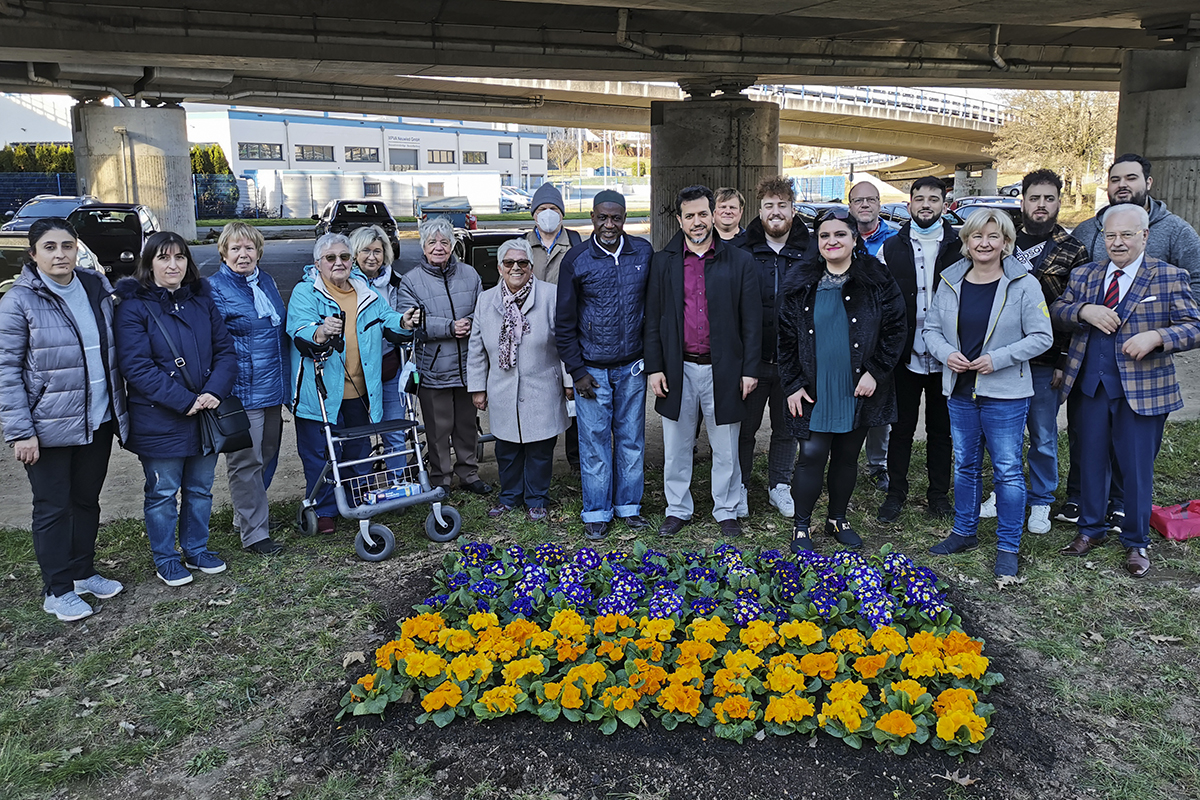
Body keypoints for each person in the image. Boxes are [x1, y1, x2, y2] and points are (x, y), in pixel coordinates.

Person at [1053, 203, 1200, 578]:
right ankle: (1090, 529)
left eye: (1126, 235)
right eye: (1110, 235)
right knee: (1089, 461)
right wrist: (1084, 310)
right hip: (1090, 386)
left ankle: (1136, 541)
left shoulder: (1168, 276)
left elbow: (1193, 326)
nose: (1117, 243)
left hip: (1142, 390)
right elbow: (1058, 309)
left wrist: (1158, 336)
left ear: (1145, 236)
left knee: (1136, 470)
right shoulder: (1086, 274)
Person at [0, 218, 129, 621]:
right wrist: (21, 431)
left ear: (77, 250)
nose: (60, 254)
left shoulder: (94, 287)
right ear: (33, 254)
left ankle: (82, 572)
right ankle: (57, 589)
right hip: (48, 427)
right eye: (50, 247)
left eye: (67, 246)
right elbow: (6, 370)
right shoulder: (19, 301)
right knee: (53, 508)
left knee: (86, 501)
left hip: (98, 418)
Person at [923, 209, 1053, 577]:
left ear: (1006, 244)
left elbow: (1042, 337)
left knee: (1008, 470)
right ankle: (964, 531)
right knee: (964, 464)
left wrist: (998, 359)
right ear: (965, 242)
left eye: (993, 237)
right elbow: (931, 329)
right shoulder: (950, 281)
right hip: (961, 390)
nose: (984, 243)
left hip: (1005, 393)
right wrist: (946, 353)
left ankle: (1008, 545)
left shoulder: (1024, 284)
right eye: (977, 236)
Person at [777, 210, 905, 554]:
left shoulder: (877, 280)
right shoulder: (800, 282)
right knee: (812, 454)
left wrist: (876, 371)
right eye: (824, 236)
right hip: (814, 388)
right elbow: (785, 340)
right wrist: (792, 384)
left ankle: (837, 518)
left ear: (854, 239)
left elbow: (896, 330)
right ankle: (801, 526)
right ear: (817, 243)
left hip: (857, 387)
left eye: (840, 235)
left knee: (847, 456)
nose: (832, 241)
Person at [114, 232, 237, 587]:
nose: (173, 265)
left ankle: (196, 549)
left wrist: (214, 391)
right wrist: (184, 401)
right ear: (149, 263)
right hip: (160, 418)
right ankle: (166, 557)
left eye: (180, 257)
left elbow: (226, 351)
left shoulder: (202, 299)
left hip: (205, 413)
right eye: (164, 258)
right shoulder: (134, 307)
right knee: (163, 493)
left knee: (200, 488)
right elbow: (136, 367)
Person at [644, 184, 762, 539]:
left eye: (702, 214)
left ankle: (726, 510)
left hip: (724, 369)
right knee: (677, 445)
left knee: (725, 445)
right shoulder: (663, 262)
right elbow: (652, 318)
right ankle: (677, 508)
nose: (697, 221)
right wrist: (655, 366)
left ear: (713, 215)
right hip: (678, 368)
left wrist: (749, 370)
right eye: (689, 215)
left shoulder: (739, 261)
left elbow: (752, 321)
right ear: (679, 220)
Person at [976, 170, 1088, 535]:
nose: (1041, 205)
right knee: (1002, 433)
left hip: (1046, 361)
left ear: (1058, 202)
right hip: (1001, 357)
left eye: (1049, 198)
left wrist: (1064, 361)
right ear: (1022, 200)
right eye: (1034, 198)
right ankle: (1005, 491)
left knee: (1042, 434)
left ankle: (1040, 500)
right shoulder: (1003, 241)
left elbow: (1078, 311)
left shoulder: (1073, 249)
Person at [289, 233, 420, 534]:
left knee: (358, 449)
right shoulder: (305, 292)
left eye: (344, 257)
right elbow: (298, 329)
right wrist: (320, 332)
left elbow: (390, 319)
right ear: (317, 263)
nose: (339, 263)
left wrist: (405, 321)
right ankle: (323, 509)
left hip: (360, 391)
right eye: (330, 258)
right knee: (320, 453)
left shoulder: (365, 290)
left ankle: (359, 498)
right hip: (319, 392)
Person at [555, 190, 654, 540]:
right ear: (592, 217)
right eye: (602, 217)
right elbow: (563, 322)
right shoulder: (577, 259)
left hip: (632, 367)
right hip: (592, 370)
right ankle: (596, 510)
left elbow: (652, 310)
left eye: (616, 218)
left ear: (625, 217)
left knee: (631, 440)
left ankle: (629, 507)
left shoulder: (642, 252)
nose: (609, 224)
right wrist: (577, 371)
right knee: (594, 442)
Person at [468, 239, 571, 522]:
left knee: (540, 448)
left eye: (522, 263)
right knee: (507, 449)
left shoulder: (551, 295)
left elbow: (566, 341)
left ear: (531, 266)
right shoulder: (486, 300)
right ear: (500, 267)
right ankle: (510, 497)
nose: (516, 268)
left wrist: (569, 380)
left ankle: (537, 499)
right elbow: (476, 347)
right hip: (502, 387)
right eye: (509, 263)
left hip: (542, 385)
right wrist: (477, 387)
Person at [877, 176, 961, 523]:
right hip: (905, 354)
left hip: (948, 355)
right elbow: (879, 300)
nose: (926, 204)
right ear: (909, 204)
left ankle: (938, 494)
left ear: (945, 204)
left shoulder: (961, 246)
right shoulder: (891, 247)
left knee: (942, 429)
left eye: (934, 199)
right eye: (919, 198)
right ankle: (896, 492)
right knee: (902, 427)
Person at [208, 222, 290, 556]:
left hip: (273, 386)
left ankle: (245, 516)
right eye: (236, 248)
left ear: (258, 251)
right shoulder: (213, 288)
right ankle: (255, 534)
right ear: (224, 253)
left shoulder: (266, 282)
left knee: (267, 454)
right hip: (242, 391)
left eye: (249, 248)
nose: (243, 255)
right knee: (246, 462)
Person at [396, 217, 491, 496]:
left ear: (453, 245)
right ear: (423, 247)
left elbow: (482, 308)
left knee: (466, 424)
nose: (439, 247)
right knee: (438, 429)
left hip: (467, 365)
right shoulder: (410, 281)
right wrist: (449, 327)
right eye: (432, 242)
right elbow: (410, 320)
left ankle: (469, 473)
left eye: (445, 242)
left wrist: (471, 322)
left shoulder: (470, 274)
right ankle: (441, 478)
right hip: (433, 367)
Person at [736, 175, 808, 519]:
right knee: (744, 429)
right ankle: (741, 485)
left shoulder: (810, 251)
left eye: (782, 205)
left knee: (787, 429)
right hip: (752, 360)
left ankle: (780, 484)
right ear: (759, 210)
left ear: (792, 210)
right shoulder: (741, 250)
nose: (775, 212)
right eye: (769, 206)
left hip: (794, 362)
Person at [1071, 154, 1200, 299]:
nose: (1122, 185)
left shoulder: (1177, 231)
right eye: (1115, 180)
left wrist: (1173, 315)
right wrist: (1082, 310)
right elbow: (1071, 287)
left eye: (1131, 178)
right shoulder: (1084, 231)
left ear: (1148, 183)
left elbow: (1197, 281)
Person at [523, 182, 582, 471]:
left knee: (575, 391)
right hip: (533, 331)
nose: (548, 214)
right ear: (534, 215)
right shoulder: (522, 244)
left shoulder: (576, 242)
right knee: (539, 393)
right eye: (543, 209)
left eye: (554, 209)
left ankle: (576, 458)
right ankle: (539, 457)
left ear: (562, 214)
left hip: (571, 329)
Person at [848, 180, 899, 493]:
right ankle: (844, 462)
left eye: (870, 200)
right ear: (850, 205)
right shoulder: (840, 234)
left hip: (880, 335)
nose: (864, 205)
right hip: (845, 333)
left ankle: (878, 464)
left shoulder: (894, 240)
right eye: (858, 200)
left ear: (879, 204)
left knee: (879, 404)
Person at [349, 224, 408, 467]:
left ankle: (399, 485)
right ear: (354, 254)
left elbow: (402, 320)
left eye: (377, 251)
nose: (372, 257)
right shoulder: (346, 284)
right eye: (365, 251)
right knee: (360, 435)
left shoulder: (397, 282)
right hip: (355, 371)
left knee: (394, 429)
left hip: (388, 365)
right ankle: (361, 488)